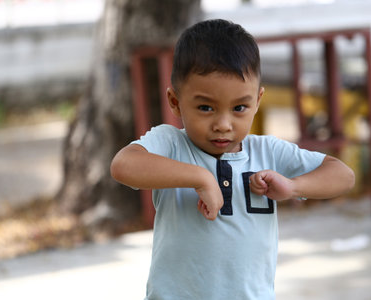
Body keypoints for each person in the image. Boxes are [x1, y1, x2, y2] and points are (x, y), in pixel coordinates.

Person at [110, 19, 355, 300]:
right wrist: (200, 178)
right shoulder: (171, 145)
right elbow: (123, 166)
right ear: (175, 102)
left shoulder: (268, 152)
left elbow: (342, 175)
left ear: (258, 100)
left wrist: (294, 186)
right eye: (205, 107)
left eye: (239, 107)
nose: (223, 124)